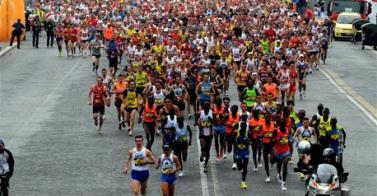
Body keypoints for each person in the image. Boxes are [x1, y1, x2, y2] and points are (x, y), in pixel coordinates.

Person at [273, 119, 291, 191]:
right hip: (278, 151)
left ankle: (283, 183)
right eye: (282, 126)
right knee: (279, 164)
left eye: (284, 125)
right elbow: (273, 140)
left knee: (285, 164)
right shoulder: (276, 131)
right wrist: (279, 139)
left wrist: (288, 141)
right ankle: (278, 173)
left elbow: (288, 138)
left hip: (286, 150)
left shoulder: (287, 130)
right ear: (280, 126)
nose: (283, 127)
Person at [260, 113, 276, 182]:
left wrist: (273, 137)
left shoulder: (273, 124)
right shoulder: (262, 125)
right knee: (265, 160)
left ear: (270, 118)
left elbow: (276, 132)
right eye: (266, 118)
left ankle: (272, 161)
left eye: (268, 118)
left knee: (273, 159)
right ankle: (268, 176)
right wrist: (263, 135)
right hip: (265, 144)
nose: (267, 119)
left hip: (272, 144)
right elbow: (259, 134)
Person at [198, 102, 213, 173]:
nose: (206, 107)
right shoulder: (202, 112)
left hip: (209, 133)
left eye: (207, 105)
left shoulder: (211, 112)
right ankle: (202, 153)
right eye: (205, 105)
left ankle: (205, 163)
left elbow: (214, 122)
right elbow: (199, 121)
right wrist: (200, 125)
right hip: (203, 132)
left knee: (208, 150)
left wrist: (211, 120)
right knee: (203, 146)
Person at [235, 122, 251, 189]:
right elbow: (233, 140)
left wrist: (248, 142)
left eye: (245, 126)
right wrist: (237, 145)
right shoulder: (237, 132)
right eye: (242, 126)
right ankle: (239, 167)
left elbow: (250, 141)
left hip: (245, 152)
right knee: (239, 168)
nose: (244, 127)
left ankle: (243, 182)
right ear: (240, 126)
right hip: (238, 152)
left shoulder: (248, 133)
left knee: (245, 166)